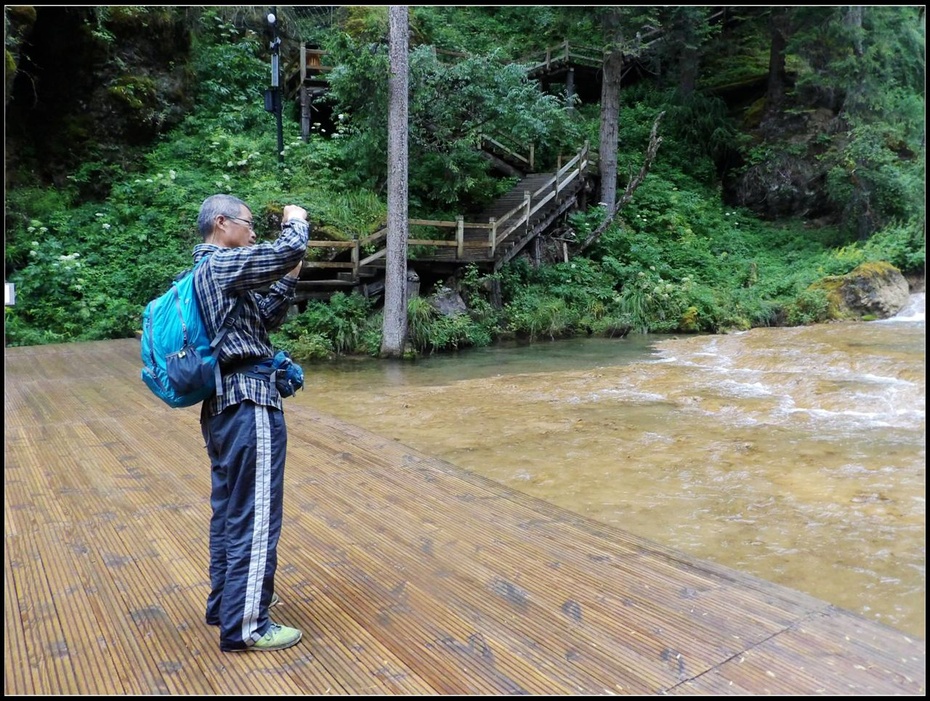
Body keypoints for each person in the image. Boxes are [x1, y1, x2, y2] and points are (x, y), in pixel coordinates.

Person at [193, 193, 309, 652]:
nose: (254, 230)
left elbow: (261, 320)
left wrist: (291, 276)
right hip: (248, 405)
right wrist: (295, 224)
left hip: (223, 407)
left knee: (229, 512)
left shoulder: (207, 275)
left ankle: (227, 602)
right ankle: (247, 625)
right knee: (256, 514)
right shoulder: (220, 265)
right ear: (222, 224)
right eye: (247, 223)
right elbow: (284, 249)